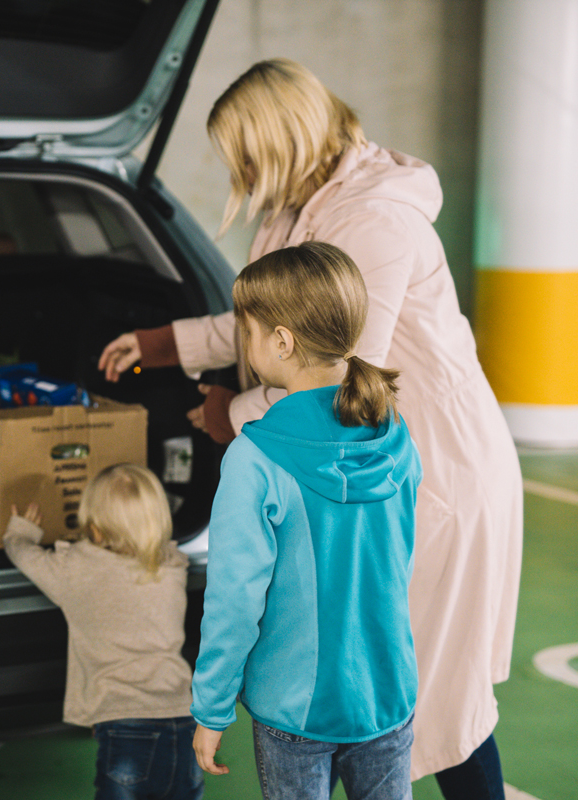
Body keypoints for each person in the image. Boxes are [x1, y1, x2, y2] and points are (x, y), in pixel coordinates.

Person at [99, 58, 522, 797]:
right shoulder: (304, 205)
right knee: (401, 686)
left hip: (432, 469)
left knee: (441, 697)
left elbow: (338, 373)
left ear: (282, 138)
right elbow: (270, 325)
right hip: (368, 461)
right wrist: (163, 343)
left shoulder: (374, 222)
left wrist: (229, 419)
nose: (241, 170)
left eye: (246, 152)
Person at [191, 241, 420, 799]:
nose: (246, 346)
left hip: (295, 708)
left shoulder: (255, 458)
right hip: (386, 694)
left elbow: (234, 597)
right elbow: (398, 557)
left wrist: (212, 707)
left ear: (282, 342)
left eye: (249, 332)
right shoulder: (396, 436)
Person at [3, 464, 202, 800]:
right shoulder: (172, 568)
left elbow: (23, 554)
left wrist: (20, 531)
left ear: (94, 527)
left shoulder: (75, 571)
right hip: (184, 719)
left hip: (124, 726)